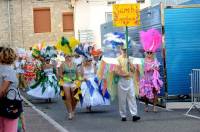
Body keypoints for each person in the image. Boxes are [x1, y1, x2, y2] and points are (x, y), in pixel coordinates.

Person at [139, 28, 163, 112]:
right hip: (146, 79)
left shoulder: (155, 60)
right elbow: (142, 69)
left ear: (153, 53)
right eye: (148, 52)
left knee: (155, 92)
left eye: (150, 52)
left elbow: (158, 68)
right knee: (145, 94)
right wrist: (148, 68)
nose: (149, 54)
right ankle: (146, 106)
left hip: (153, 79)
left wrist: (156, 68)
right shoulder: (143, 60)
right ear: (146, 53)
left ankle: (154, 106)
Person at [0, 47, 23, 132]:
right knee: (10, 129)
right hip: (9, 104)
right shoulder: (10, 70)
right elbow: (2, 90)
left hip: (3, 105)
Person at [114, 47, 140, 122]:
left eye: (126, 49)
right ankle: (123, 115)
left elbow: (134, 70)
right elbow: (116, 71)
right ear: (120, 50)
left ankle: (134, 115)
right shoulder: (118, 59)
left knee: (132, 97)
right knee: (122, 99)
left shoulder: (130, 58)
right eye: (123, 49)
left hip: (130, 81)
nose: (124, 51)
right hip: (122, 81)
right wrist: (124, 75)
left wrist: (130, 63)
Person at [59, 54, 78, 120]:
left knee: (74, 98)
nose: (69, 57)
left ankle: (73, 110)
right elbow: (60, 74)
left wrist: (78, 81)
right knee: (68, 97)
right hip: (66, 83)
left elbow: (77, 74)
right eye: (68, 56)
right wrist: (66, 79)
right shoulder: (62, 65)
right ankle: (70, 112)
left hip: (74, 82)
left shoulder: (75, 64)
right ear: (65, 57)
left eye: (70, 56)